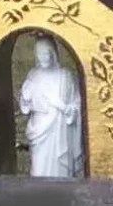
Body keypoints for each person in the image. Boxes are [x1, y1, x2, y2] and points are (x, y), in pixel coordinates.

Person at [15, 35, 84, 179]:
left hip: (59, 133)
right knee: (39, 169)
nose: (43, 57)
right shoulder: (33, 75)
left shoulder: (65, 76)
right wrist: (26, 97)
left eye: (46, 53)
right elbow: (26, 104)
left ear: (53, 53)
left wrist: (64, 108)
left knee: (59, 171)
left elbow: (76, 104)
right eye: (40, 54)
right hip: (40, 129)